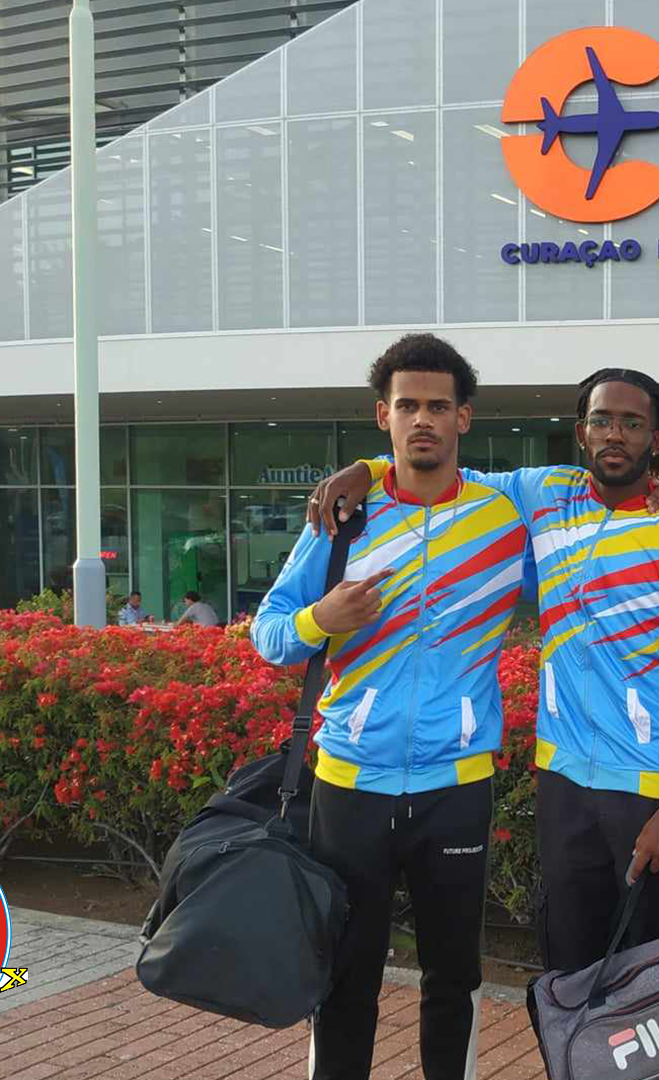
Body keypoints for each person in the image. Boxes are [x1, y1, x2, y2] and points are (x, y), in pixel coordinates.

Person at [307, 371, 659, 1080]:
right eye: (601, 421)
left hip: (656, 794)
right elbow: (438, 465)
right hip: (564, 787)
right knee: (576, 983)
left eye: (633, 423)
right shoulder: (544, 496)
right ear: (581, 433)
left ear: (657, 439)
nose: (615, 435)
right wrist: (368, 467)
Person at [253, 334, 528, 1080]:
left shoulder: (505, 516)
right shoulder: (343, 519)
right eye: (408, 406)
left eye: (439, 406)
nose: (423, 419)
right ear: (384, 415)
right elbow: (269, 633)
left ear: (464, 417)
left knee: (454, 979)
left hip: (456, 786)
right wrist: (321, 619)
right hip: (349, 784)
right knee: (346, 976)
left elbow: (592, 491)